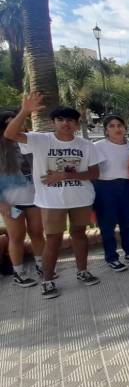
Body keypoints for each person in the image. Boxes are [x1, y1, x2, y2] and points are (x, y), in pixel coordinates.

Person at [4, 93, 102, 299]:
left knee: (79, 235)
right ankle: (47, 280)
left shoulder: (85, 145)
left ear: (77, 124)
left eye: (70, 120)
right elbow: (10, 134)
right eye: (60, 119)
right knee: (53, 240)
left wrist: (65, 175)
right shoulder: (40, 140)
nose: (65, 123)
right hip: (51, 202)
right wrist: (25, 111)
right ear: (53, 122)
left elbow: (94, 173)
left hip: (81, 199)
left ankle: (82, 271)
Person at [0, 110, 45, 287]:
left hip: (34, 197)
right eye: (9, 123)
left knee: (37, 232)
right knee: (16, 236)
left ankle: (43, 266)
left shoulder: (30, 141)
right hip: (11, 200)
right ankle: (19, 273)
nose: (16, 125)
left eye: (18, 122)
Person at [93, 115, 129, 272]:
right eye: (112, 126)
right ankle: (111, 257)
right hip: (105, 187)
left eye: (120, 125)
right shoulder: (98, 146)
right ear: (106, 130)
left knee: (128, 222)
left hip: (128, 186)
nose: (117, 129)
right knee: (107, 225)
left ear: (125, 128)